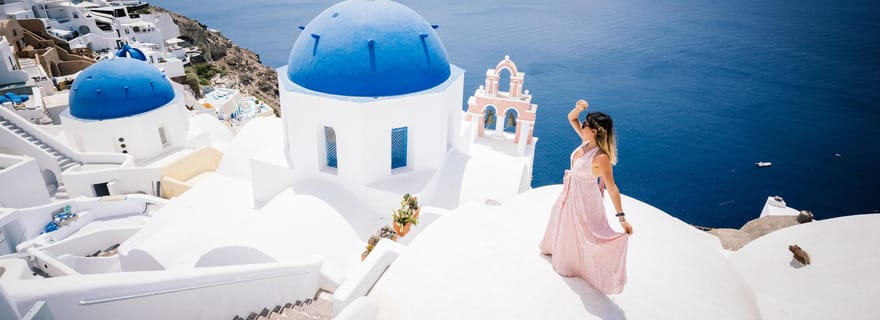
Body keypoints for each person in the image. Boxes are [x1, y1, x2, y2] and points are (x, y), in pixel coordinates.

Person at [539, 99, 632, 294]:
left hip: (585, 199)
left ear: (596, 130)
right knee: (561, 219)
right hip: (571, 192)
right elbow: (571, 117)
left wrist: (622, 219)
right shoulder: (586, 141)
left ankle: (576, 264)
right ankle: (557, 250)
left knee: (587, 233)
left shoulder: (601, 158)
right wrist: (578, 109)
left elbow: (613, 188)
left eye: (586, 124)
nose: (582, 125)